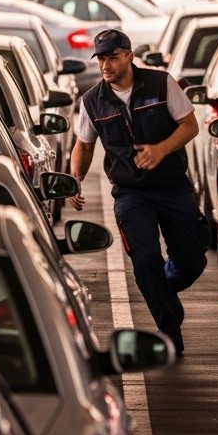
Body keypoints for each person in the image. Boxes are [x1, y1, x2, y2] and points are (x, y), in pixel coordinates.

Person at [68, 29, 207, 355]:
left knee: (192, 259)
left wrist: (161, 149)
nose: (106, 65)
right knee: (144, 260)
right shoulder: (92, 101)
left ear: (129, 56)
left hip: (173, 186)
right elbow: (83, 146)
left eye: (112, 57)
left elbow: (190, 125)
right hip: (130, 193)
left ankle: (164, 289)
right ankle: (169, 331)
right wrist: (74, 180)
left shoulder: (161, 84)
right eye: (101, 59)